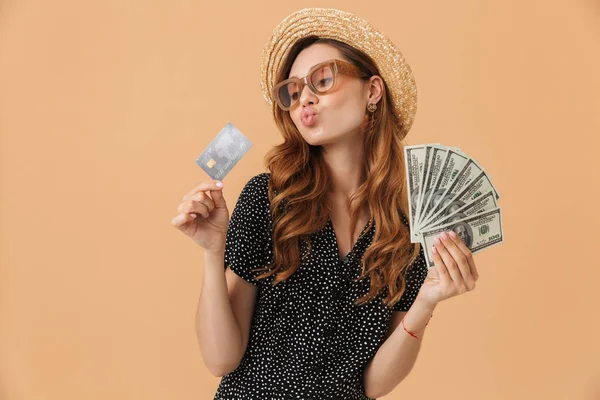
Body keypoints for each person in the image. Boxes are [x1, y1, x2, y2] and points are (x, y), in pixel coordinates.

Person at [172, 8, 480, 400]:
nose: (306, 99)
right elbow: (220, 360)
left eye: (323, 79)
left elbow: (371, 384)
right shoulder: (269, 200)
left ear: (372, 91)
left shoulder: (406, 233)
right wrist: (214, 252)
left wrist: (426, 301)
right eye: (294, 91)